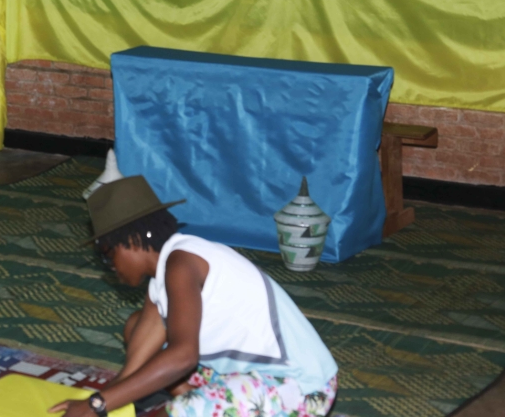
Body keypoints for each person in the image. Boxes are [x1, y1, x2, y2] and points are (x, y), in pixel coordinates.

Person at [51, 176, 338, 417]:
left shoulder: (182, 264)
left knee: (180, 405)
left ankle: (205, 405)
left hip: (300, 384)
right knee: (137, 326)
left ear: (131, 240)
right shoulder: (162, 279)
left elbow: (184, 357)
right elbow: (136, 364)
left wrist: (96, 406)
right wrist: (100, 401)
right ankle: (212, 402)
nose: (109, 267)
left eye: (107, 255)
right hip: (249, 373)